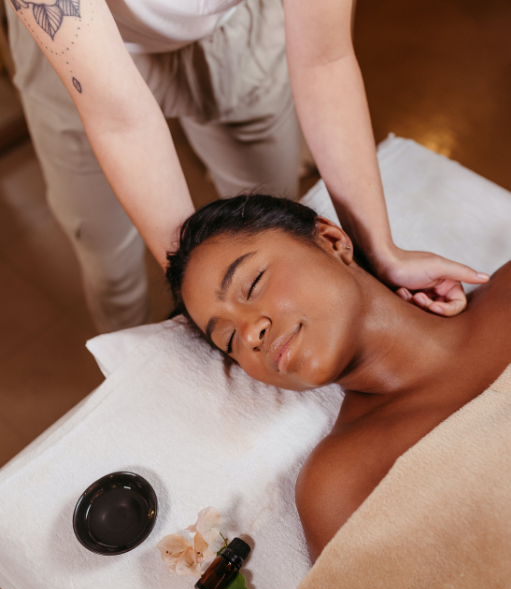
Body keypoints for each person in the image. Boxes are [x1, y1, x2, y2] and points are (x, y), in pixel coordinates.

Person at [6, 0, 489, 333]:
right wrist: (207, 315)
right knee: (106, 255)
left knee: (272, 232)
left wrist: (381, 250)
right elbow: (121, 120)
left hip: (236, 38)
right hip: (76, 65)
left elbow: (325, 60)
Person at [166, 194, 511, 561]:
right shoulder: (339, 483)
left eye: (252, 286)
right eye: (229, 340)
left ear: (331, 241)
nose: (250, 335)